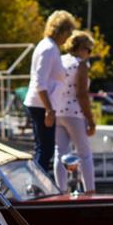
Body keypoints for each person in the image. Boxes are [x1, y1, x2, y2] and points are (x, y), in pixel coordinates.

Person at [24, 10, 76, 176]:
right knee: (45, 150)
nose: (68, 38)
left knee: (44, 149)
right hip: (41, 105)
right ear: (60, 30)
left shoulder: (50, 47)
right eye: (68, 33)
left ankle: (37, 184)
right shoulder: (48, 49)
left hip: (43, 104)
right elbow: (40, 82)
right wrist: (49, 110)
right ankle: (37, 186)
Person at [53, 30, 97, 193]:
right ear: (82, 48)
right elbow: (82, 94)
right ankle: (90, 191)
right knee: (84, 153)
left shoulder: (61, 61)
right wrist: (91, 120)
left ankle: (61, 191)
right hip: (74, 112)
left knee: (60, 152)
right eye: (89, 50)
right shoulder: (81, 64)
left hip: (57, 110)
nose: (89, 54)